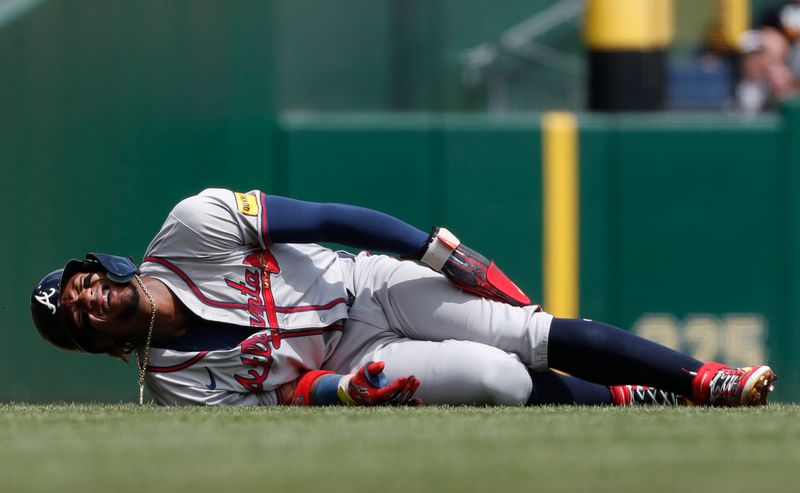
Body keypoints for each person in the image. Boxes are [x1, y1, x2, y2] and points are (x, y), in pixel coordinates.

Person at [30, 188, 777, 407]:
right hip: (359, 355)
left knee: (526, 332)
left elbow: (330, 219)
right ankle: (623, 399)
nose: (86, 296)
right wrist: (346, 393)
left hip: (368, 284)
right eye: (73, 311)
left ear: (106, 264)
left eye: (82, 280)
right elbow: (282, 403)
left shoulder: (192, 225)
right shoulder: (175, 388)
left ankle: (701, 378)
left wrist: (439, 251)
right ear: (94, 344)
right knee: (499, 379)